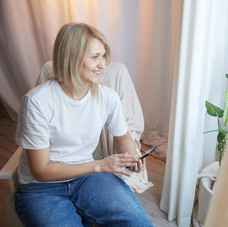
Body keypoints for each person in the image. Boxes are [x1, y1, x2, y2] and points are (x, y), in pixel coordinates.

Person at [14, 22, 153, 227]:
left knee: (140, 224)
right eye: (95, 57)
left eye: (103, 56)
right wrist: (100, 165)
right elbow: (41, 170)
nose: (103, 64)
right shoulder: (37, 102)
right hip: (41, 189)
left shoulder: (107, 97)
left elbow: (122, 136)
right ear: (71, 57)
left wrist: (132, 158)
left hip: (88, 179)